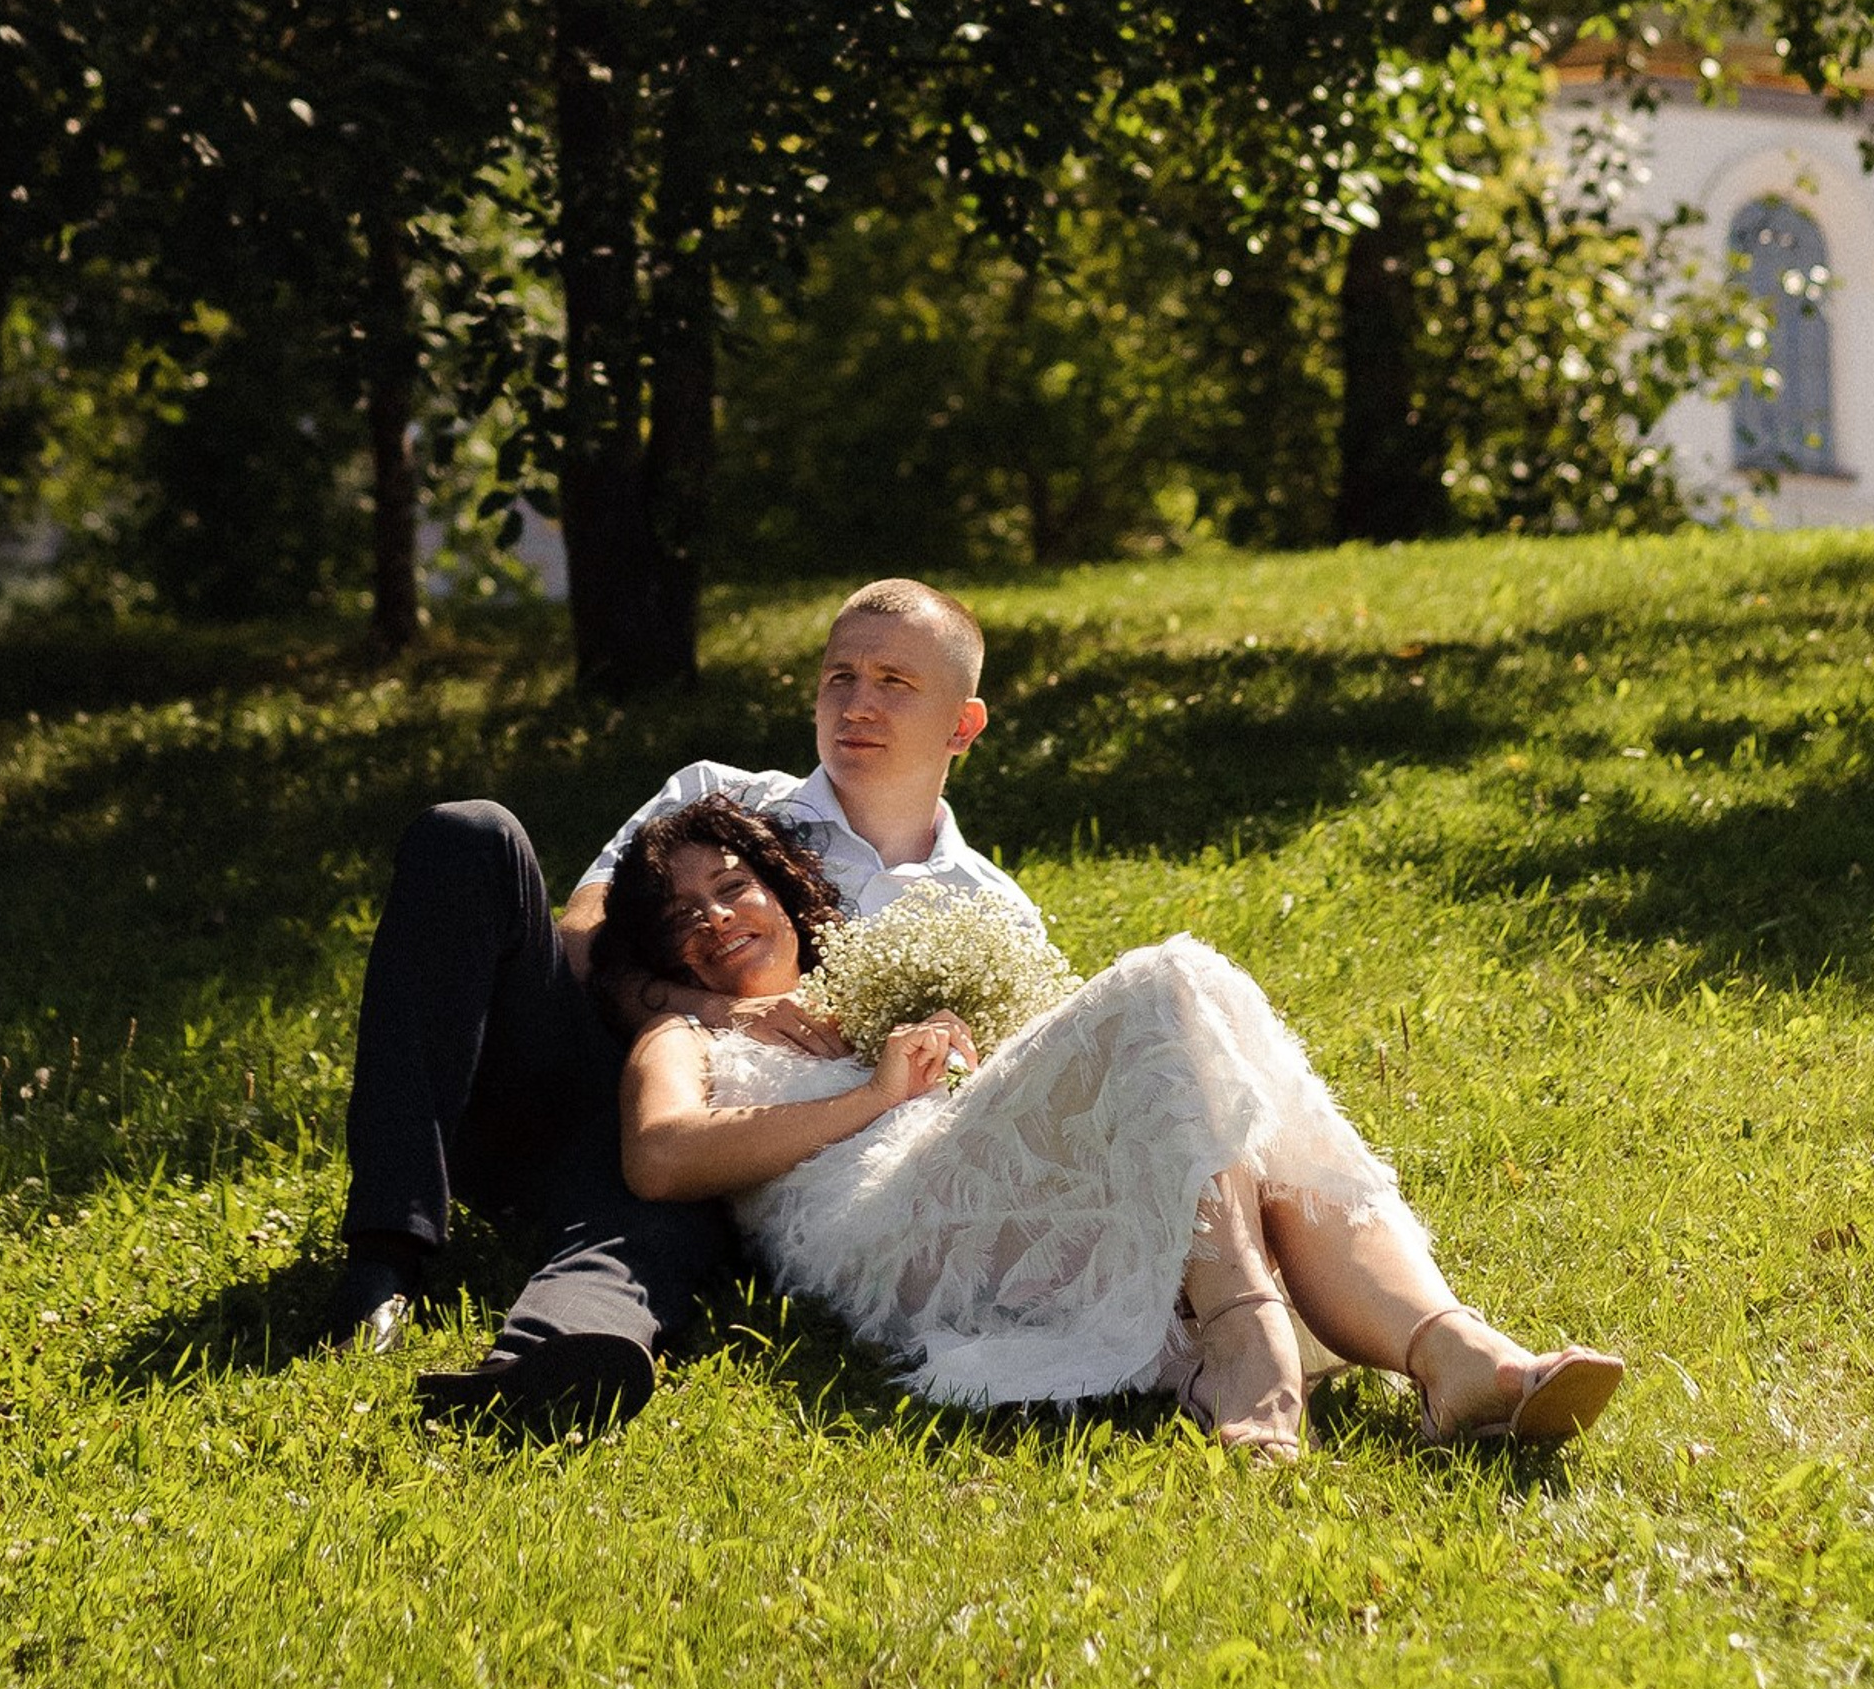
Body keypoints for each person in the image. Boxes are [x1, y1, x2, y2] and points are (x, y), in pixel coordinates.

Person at [609, 800, 1626, 1460]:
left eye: (729, 886)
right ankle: (1250, 1342)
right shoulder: (676, 1035)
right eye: (679, 916)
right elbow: (660, 1159)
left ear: (778, 889)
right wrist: (871, 1099)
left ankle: (1455, 1356)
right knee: (1167, 979)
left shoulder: (869, 992)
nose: (712, 919)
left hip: (976, 1190)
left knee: (1217, 1103)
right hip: (883, 1233)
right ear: (662, 953)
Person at [322, 579, 1014, 1431]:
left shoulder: (988, 911)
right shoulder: (718, 796)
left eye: (894, 684)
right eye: (840, 677)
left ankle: (560, 1363)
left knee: (660, 1222)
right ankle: (383, 1259)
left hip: (727, 1165)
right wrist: (710, 1014)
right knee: (470, 834)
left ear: (963, 724)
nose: (857, 704)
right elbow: (582, 946)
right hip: (575, 1078)